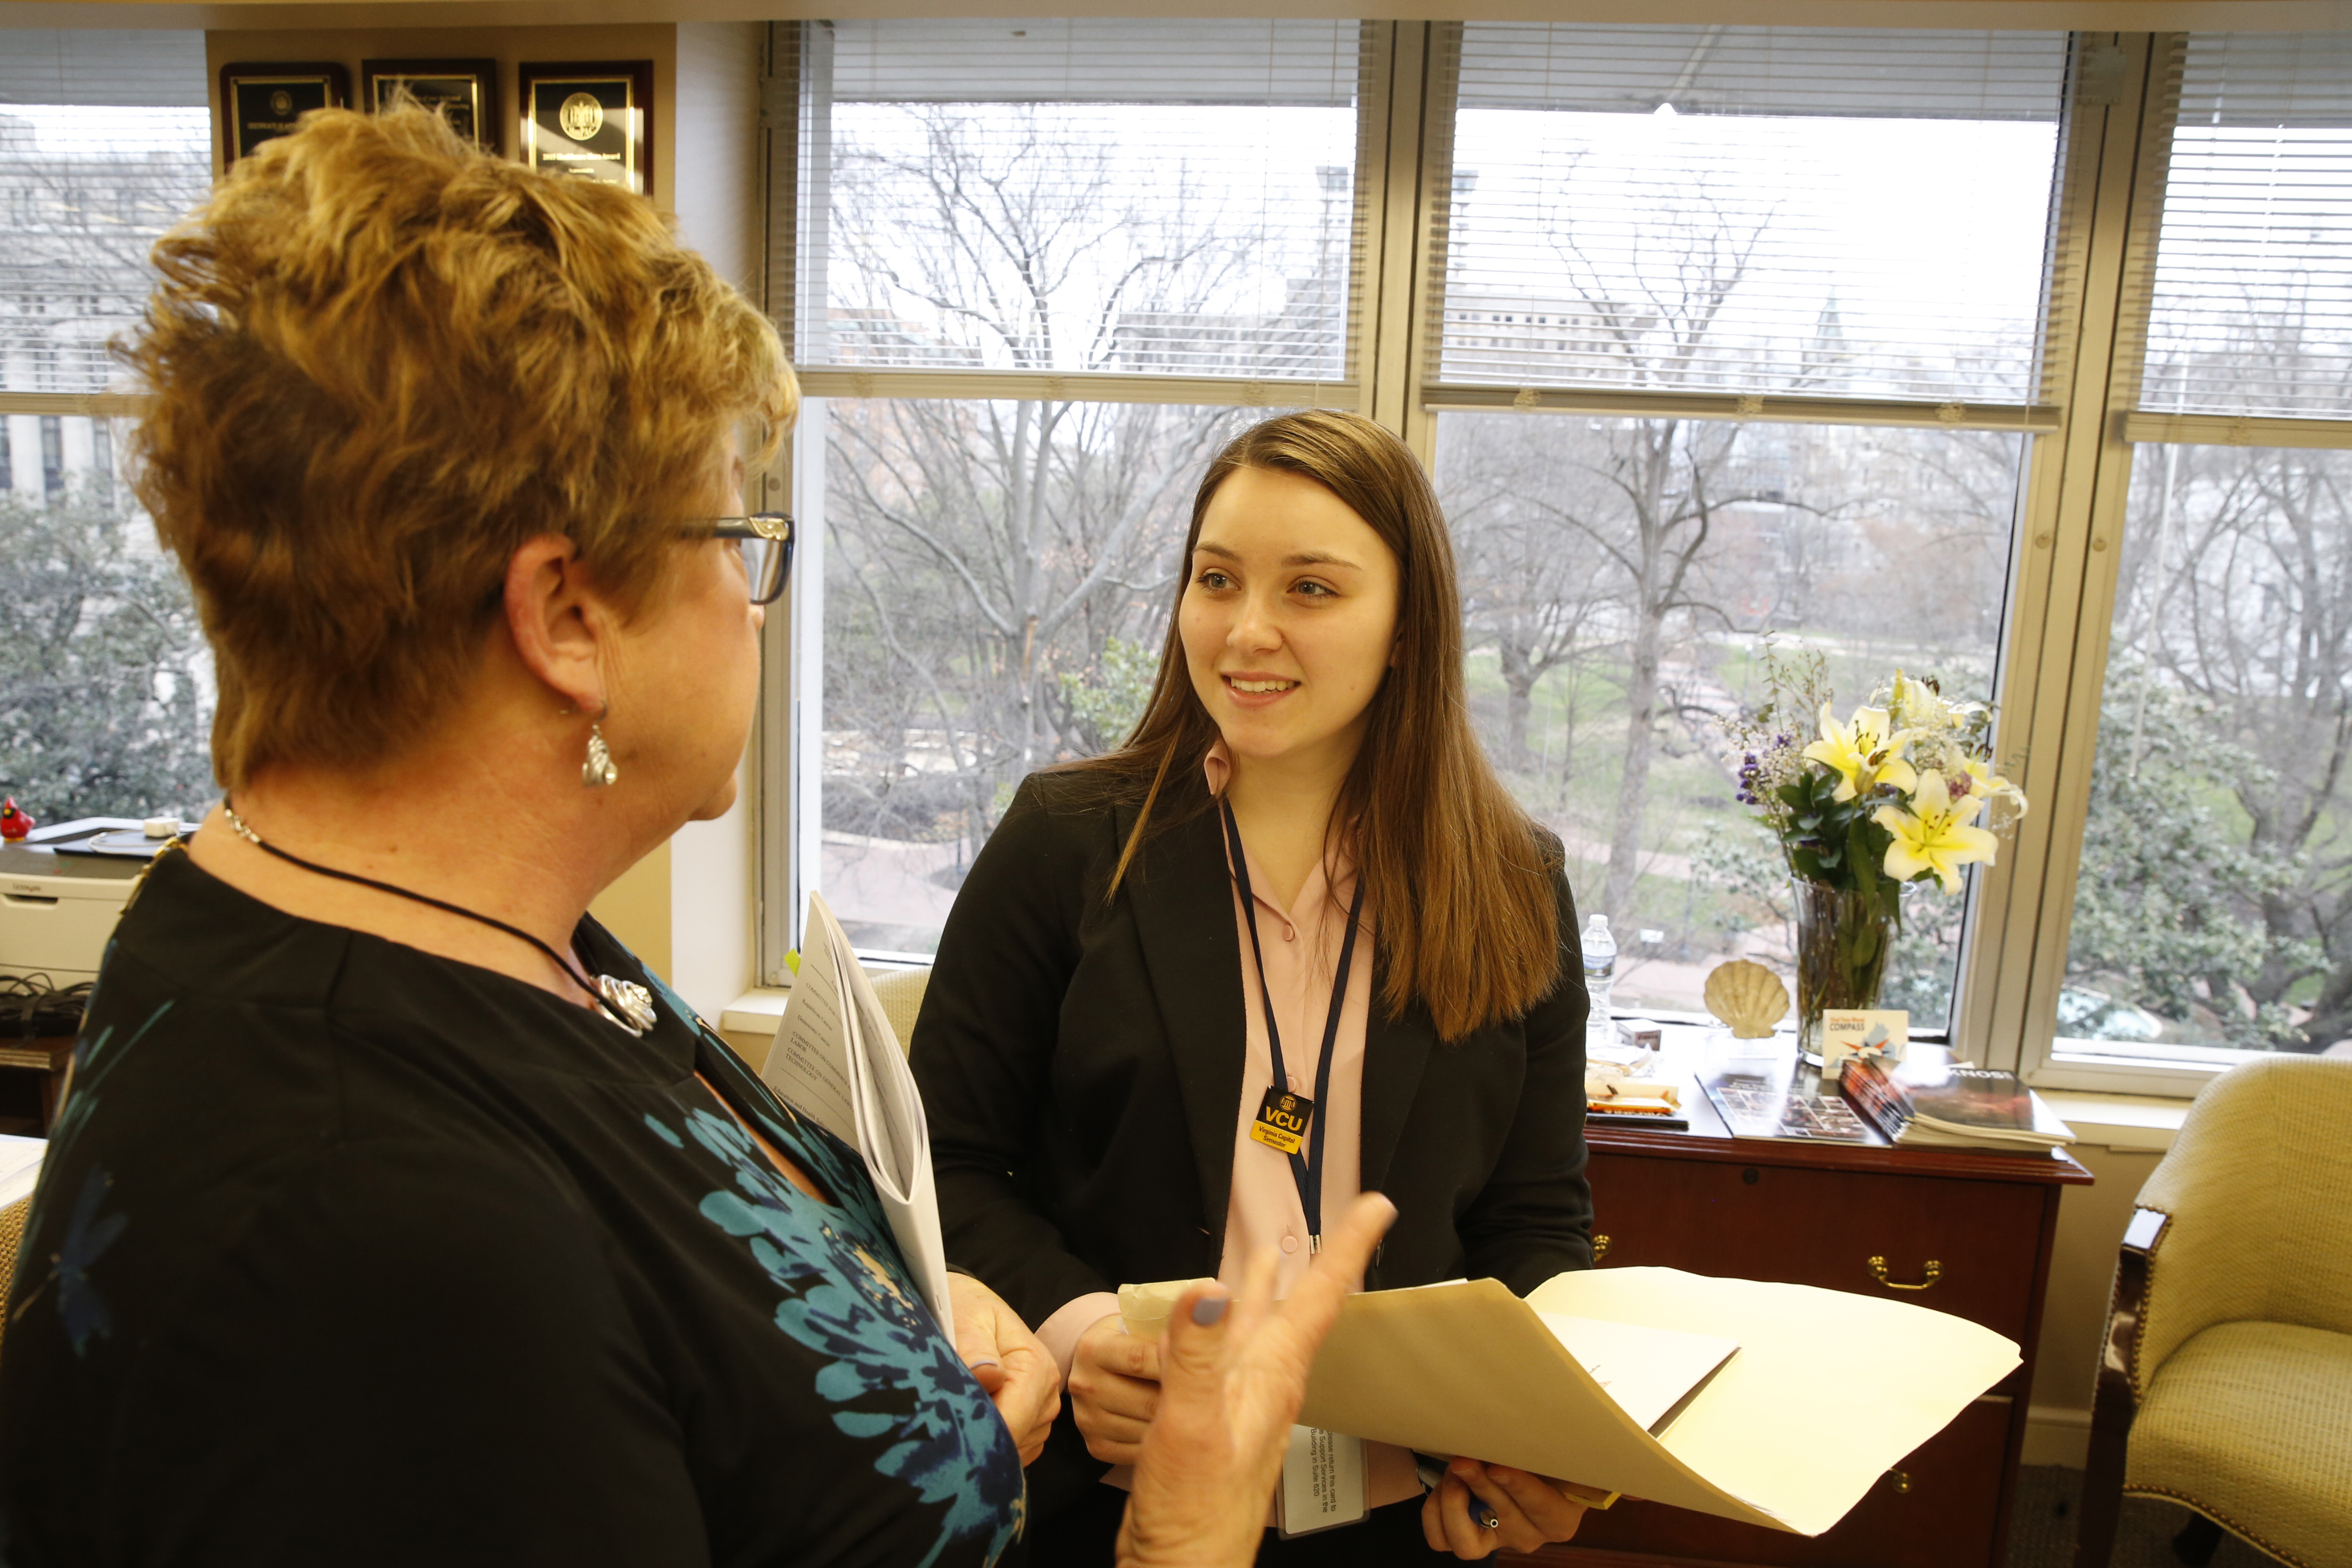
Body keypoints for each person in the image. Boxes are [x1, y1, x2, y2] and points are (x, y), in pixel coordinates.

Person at [0, 107, 1388, 1568]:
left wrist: (910, 1313)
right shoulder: (374, 1216)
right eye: (736, 538)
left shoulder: (476, 941)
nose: (754, 598)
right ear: (569, 620)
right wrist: (1190, 1527)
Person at [911, 411, 1597, 1565]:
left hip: (1396, 1511)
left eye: (1313, 590)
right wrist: (1084, 1339)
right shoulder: (1066, 843)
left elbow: (1534, 1223)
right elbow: (945, 1166)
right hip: (1108, 1494)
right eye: (1216, 579)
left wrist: (1539, 1450)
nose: (1246, 630)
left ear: (1407, 626)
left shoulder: (1514, 885)